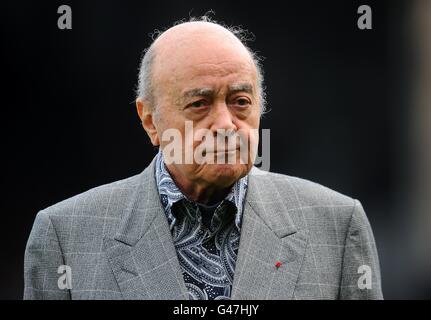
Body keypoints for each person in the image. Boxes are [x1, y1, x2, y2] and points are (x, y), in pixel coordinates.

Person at [24, 16, 383, 300]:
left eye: (241, 102)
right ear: (149, 119)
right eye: (199, 104)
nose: (226, 124)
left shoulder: (337, 226)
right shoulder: (65, 236)